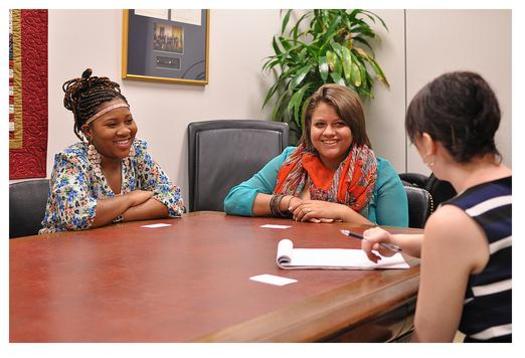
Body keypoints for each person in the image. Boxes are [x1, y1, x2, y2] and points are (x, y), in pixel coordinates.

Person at [361, 71, 511, 342]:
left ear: (428, 143)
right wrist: (394, 240)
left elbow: (431, 342)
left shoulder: (455, 221)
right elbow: (473, 247)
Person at [224, 84, 408, 226]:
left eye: (339, 124)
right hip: (294, 259)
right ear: (309, 128)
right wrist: (289, 202)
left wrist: (342, 213)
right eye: (320, 124)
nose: (328, 132)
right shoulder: (291, 159)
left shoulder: (381, 172)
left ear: (354, 128)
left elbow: (398, 240)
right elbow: (234, 199)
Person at [40, 69, 184, 234]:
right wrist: (131, 198)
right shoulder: (72, 160)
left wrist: (111, 214)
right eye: (112, 124)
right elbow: (77, 214)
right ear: (88, 131)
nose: (124, 131)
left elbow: (174, 199)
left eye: (128, 121)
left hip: (121, 246)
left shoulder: (136, 153)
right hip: (66, 253)